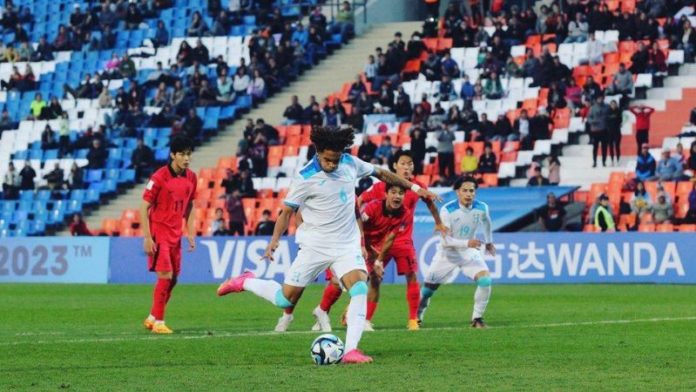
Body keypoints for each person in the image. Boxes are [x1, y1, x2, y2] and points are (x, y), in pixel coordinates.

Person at [217, 126, 440, 364]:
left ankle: (351, 350)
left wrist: (415, 187)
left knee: (360, 288)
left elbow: (382, 174)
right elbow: (286, 212)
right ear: (317, 151)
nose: (332, 165)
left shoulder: (349, 162)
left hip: (346, 244)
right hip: (314, 245)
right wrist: (274, 241)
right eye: (327, 160)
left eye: (335, 160)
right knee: (284, 300)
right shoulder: (305, 176)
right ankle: (245, 281)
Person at [294, 150, 447, 333]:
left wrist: (438, 222)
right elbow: (359, 201)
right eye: (404, 163)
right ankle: (324, 311)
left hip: (400, 239)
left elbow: (429, 202)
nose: (407, 167)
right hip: (370, 241)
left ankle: (395, 320)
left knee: (392, 277)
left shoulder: (416, 188)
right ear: (395, 166)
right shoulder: (379, 189)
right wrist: (353, 224)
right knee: (341, 280)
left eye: (410, 164)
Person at [418, 176, 494, 328]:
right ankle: (417, 317)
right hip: (447, 254)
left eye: (471, 191)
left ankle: (477, 318)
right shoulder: (447, 210)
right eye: (464, 190)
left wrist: (489, 241)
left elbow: (487, 223)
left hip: (468, 253)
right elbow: (446, 241)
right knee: (427, 291)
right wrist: (468, 242)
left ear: (475, 193)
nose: (468, 194)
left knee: (485, 280)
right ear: (457, 192)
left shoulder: (482, 207)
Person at [141, 136, 197, 334]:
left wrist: (190, 232)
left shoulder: (191, 177)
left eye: (189, 154)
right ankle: (159, 323)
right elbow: (144, 206)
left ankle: (152, 317)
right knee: (165, 275)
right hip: (159, 233)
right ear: (173, 155)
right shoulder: (158, 177)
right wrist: (147, 237)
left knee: (173, 279)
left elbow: (190, 204)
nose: (186, 158)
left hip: (176, 234)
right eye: (182, 154)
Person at [588, 95, 609, 167]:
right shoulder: (592, 108)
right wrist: (594, 121)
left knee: (604, 147)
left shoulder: (607, 107)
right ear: (597, 99)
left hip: (604, 129)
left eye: (601, 98)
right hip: (595, 130)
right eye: (599, 98)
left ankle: (604, 161)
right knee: (595, 147)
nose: (600, 100)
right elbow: (589, 118)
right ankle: (594, 162)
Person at [606, 100, 623, 164]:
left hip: (617, 131)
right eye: (612, 104)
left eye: (614, 104)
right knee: (610, 146)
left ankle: (618, 159)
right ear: (610, 105)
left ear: (616, 105)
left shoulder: (618, 111)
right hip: (610, 132)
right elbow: (606, 121)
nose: (613, 105)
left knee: (617, 146)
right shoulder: (608, 112)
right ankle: (612, 160)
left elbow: (620, 120)